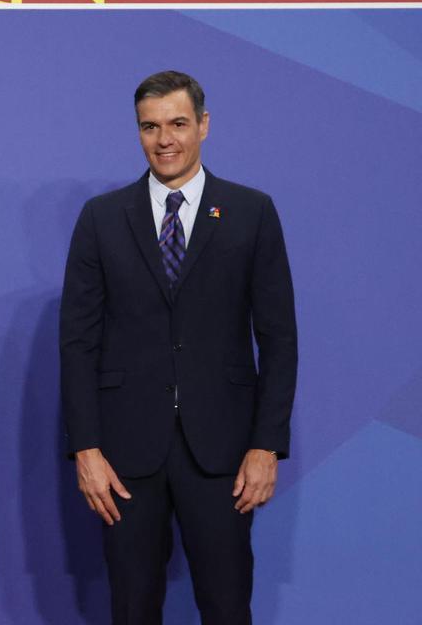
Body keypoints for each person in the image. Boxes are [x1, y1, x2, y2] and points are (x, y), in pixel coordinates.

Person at [59, 70, 298, 624]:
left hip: (224, 453)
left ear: (204, 126)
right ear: (138, 132)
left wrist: (267, 445)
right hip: (124, 455)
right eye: (150, 127)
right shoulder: (101, 218)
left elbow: (279, 339)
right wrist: (86, 449)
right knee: (132, 608)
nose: (164, 139)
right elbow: (76, 342)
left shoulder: (251, 211)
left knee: (226, 605)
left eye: (178, 124)